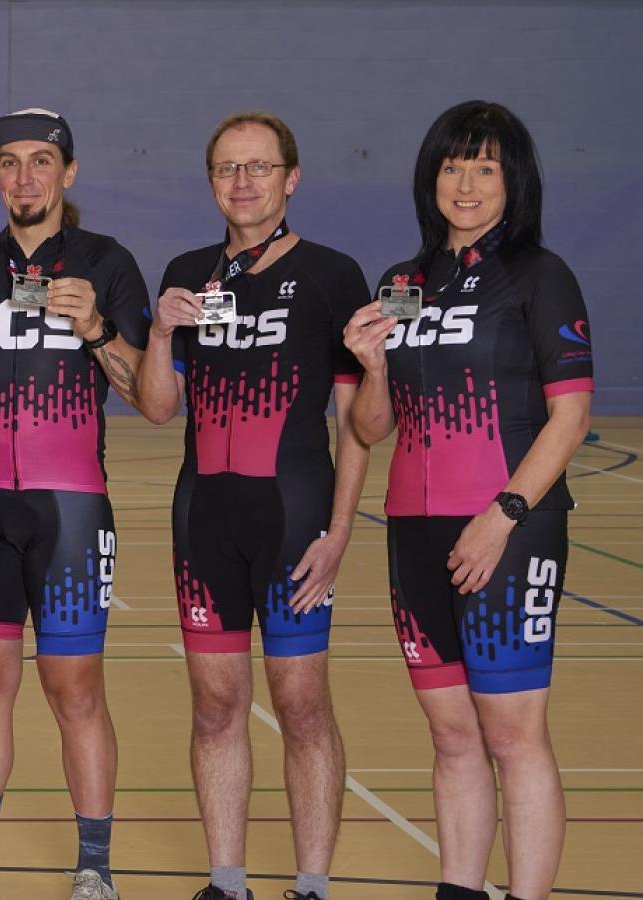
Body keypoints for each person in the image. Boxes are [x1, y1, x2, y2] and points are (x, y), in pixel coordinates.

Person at [341, 100, 589, 900]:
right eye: (453, 165)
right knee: (451, 736)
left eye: (486, 167)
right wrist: (372, 367)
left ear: (514, 180)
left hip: (508, 528)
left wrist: (502, 516)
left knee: (512, 735)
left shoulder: (540, 277)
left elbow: (571, 416)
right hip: (413, 532)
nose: (468, 182)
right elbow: (372, 427)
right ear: (430, 176)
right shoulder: (403, 282)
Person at [135, 112, 368, 900]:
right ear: (211, 182)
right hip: (204, 522)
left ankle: (312, 886)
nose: (243, 182)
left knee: (302, 704)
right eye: (228, 168)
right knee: (216, 706)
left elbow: (360, 427)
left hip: (297, 522)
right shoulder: (188, 271)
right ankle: (227, 883)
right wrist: (162, 336)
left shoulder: (334, 274)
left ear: (290, 179)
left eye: (260, 167)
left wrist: (340, 533)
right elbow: (159, 410)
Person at [0, 109, 147, 900]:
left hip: (71, 508)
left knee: (75, 687)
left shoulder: (107, 263)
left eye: (41, 161)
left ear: (68, 173)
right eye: (10, 163)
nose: (25, 177)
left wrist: (96, 327)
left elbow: (146, 390)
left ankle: (95, 868)